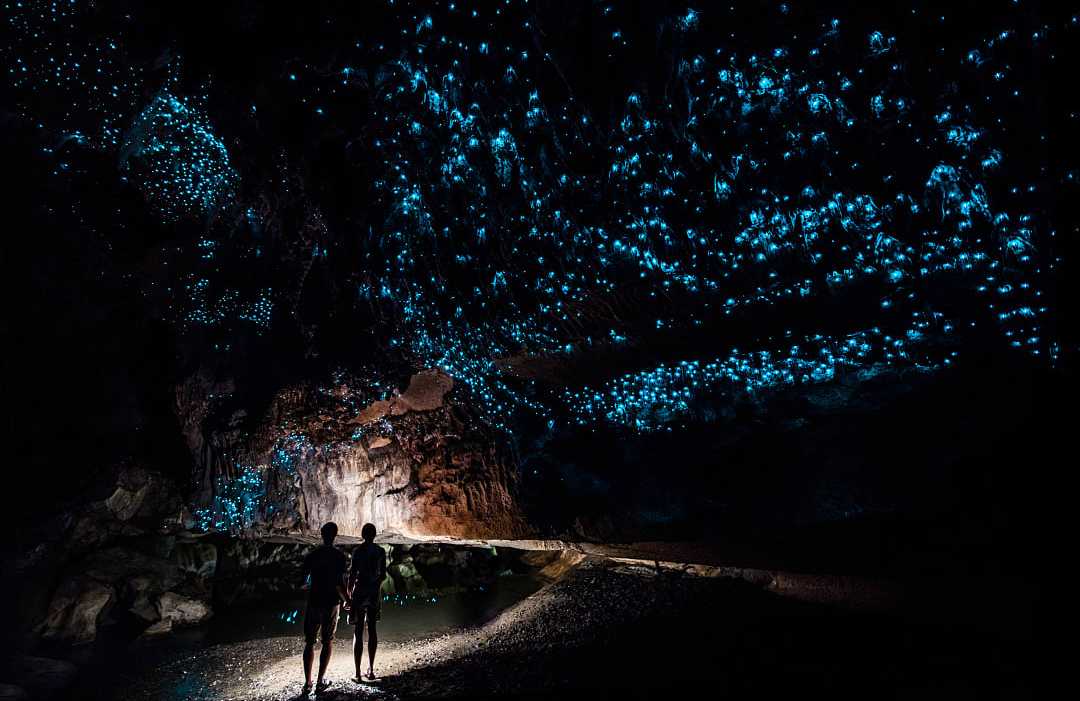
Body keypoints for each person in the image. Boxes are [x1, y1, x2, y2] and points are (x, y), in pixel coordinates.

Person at [299, 522, 348, 696]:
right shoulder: (339, 557)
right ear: (335, 535)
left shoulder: (313, 556)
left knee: (309, 642)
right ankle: (320, 681)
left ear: (321, 534)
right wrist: (348, 600)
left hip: (314, 601)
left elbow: (303, 581)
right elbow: (339, 583)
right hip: (331, 602)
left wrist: (309, 585)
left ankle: (307, 683)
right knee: (327, 641)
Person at [348, 522, 387, 682]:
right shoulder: (380, 551)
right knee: (372, 629)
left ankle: (357, 673)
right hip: (373, 593)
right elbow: (383, 575)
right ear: (374, 535)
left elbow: (352, 574)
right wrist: (375, 586)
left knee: (358, 631)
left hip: (359, 592)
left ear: (363, 535)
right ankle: (371, 670)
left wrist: (349, 595)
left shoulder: (358, 551)